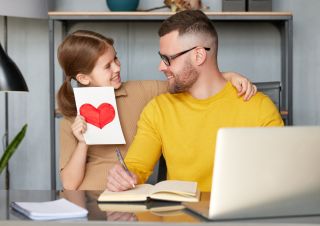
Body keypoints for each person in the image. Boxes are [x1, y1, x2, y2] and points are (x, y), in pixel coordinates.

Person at [106, 10, 284, 192]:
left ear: (198, 56)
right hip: (179, 217)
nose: (160, 67)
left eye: (167, 59)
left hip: (240, 216)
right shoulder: (158, 109)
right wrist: (125, 177)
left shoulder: (259, 107)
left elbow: (282, 174)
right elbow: (137, 166)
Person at [57, 30, 257, 190]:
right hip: (88, 197)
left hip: (129, 194)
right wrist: (83, 142)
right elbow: (70, 184)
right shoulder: (71, 114)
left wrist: (228, 76)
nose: (117, 68)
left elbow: (188, 84)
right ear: (84, 78)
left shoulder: (140, 91)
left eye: (116, 59)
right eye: (107, 66)